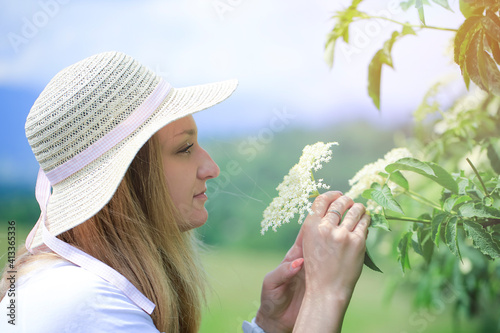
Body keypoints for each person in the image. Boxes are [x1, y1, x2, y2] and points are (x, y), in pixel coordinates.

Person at [0, 51, 370, 333]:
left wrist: (268, 325)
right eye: (184, 149)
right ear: (128, 182)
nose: (211, 168)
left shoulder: (66, 284)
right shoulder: (90, 307)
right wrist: (325, 296)